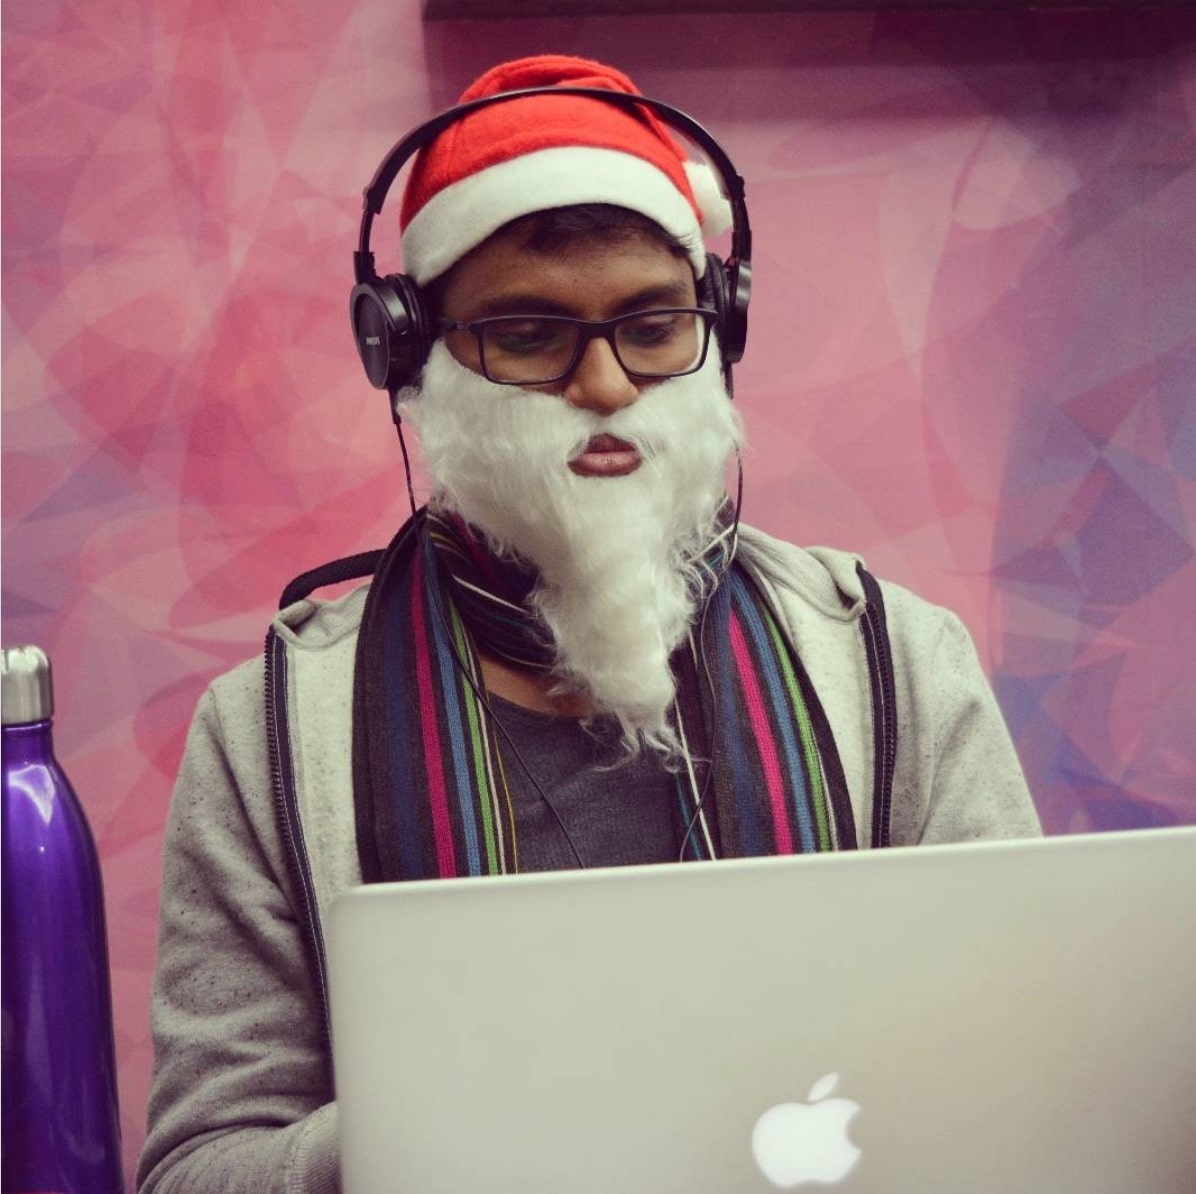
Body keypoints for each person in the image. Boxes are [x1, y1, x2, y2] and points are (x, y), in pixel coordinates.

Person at [136, 54, 1040, 1193]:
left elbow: (1029, 1065)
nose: (606, 385)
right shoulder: (267, 732)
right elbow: (198, 1167)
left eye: (653, 325)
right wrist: (436, 1124)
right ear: (410, 356)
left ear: (719, 329)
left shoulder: (898, 664)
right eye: (528, 334)